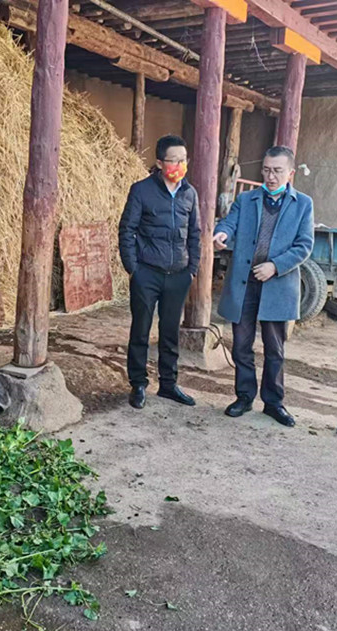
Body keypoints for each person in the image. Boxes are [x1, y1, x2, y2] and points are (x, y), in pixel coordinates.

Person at [212, 146, 314, 427]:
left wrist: (275, 266)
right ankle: (244, 396)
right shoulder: (246, 200)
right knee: (241, 345)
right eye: (267, 170)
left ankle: (273, 402)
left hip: (277, 284)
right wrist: (221, 234)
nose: (271, 176)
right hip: (244, 282)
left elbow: (304, 245)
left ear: (290, 173)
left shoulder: (303, 204)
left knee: (274, 348)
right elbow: (229, 223)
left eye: (277, 171)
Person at [118, 134, 201, 410]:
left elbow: (195, 233)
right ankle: (138, 384)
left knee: (170, 332)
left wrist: (192, 268)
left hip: (178, 275)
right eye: (173, 160)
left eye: (183, 160)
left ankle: (168, 384)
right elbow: (127, 230)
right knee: (141, 330)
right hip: (147, 273)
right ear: (159, 163)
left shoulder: (190, 193)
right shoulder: (141, 190)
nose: (179, 165)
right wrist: (133, 268)